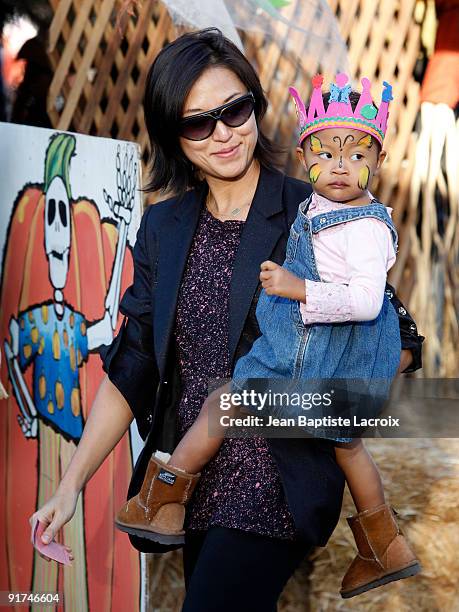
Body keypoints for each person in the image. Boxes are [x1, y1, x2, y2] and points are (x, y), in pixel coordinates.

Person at [30, 29, 424, 611]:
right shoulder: (163, 228)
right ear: (172, 135)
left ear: (255, 106)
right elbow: (133, 360)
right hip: (191, 484)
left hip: (275, 477)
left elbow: (398, 333)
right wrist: (69, 486)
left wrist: (328, 401)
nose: (223, 133)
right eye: (198, 122)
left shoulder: (312, 210)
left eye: (234, 110)